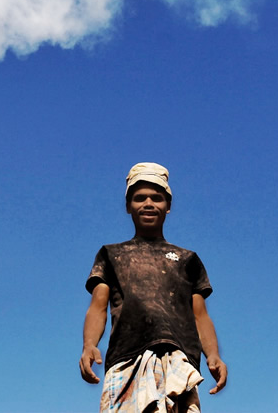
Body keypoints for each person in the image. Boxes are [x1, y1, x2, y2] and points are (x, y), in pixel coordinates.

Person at [79, 162, 227, 413]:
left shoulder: (187, 259)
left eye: (157, 198)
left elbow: (200, 315)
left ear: (168, 206)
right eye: (139, 198)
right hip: (127, 358)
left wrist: (213, 354)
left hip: (178, 361)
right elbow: (98, 306)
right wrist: (89, 345)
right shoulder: (111, 255)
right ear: (128, 206)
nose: (148, 204)